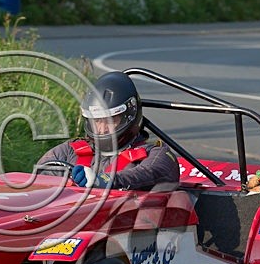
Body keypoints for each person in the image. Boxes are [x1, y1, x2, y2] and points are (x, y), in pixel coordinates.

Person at [38, 71, 180, 191]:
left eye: (110, 120)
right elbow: (37, 179)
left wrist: (102, 181)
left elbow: (151, 173)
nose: (102, 129)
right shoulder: (69, 151)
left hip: (125, 219)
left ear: (129, 116)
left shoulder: (156, 154)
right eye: (97, 121)